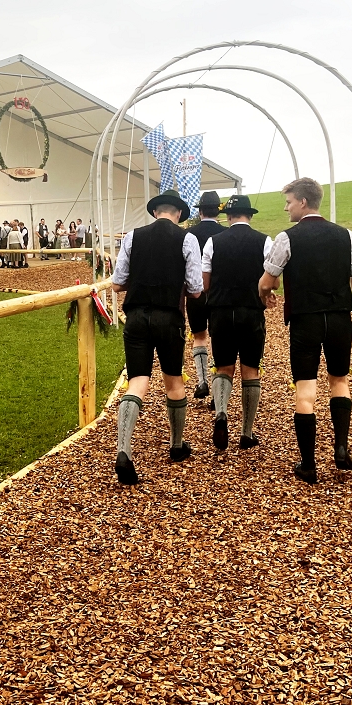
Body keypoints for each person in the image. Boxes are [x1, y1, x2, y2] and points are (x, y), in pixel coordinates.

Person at [258, 178, 352, 484]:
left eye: (288, 202)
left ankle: (308, 463)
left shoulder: (287, 238)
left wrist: (265, 294)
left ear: (302, 202)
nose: (286, 208)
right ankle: (341, 448)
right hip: (339, 318)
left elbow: (267, 280)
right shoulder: (346, 235)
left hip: (306, 321)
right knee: (339, 380)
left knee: (305, 389)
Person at [111, 189, 204, 486]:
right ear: (179, 214)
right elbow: (195, 289)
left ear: (155, 212)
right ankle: (176, 446)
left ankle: (123, 450)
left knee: (138, 381)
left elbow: (117, 283)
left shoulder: (132, 236)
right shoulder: (187, 239)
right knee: (174, 381)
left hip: (136, 317)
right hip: (169, 318)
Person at [201, 195, 273, 452]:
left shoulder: (213, 242)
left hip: (220, 311)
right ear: (249, 215)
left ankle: (221, 412)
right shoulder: (265, 241)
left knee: (223, 367)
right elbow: (272, 281)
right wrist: (266, 294)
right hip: (250, 310)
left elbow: (205, 284)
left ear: (229, 216)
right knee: (250, 369)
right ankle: (246, 432)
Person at [187, 191, 228, 400]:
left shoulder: (189, 234)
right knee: (217, 339)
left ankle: (202, 380)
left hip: (195, 293)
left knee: (199, 336)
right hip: (219, 294)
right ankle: (217, 394)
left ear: (200, 211)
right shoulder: (226, 234)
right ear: (218, 211)